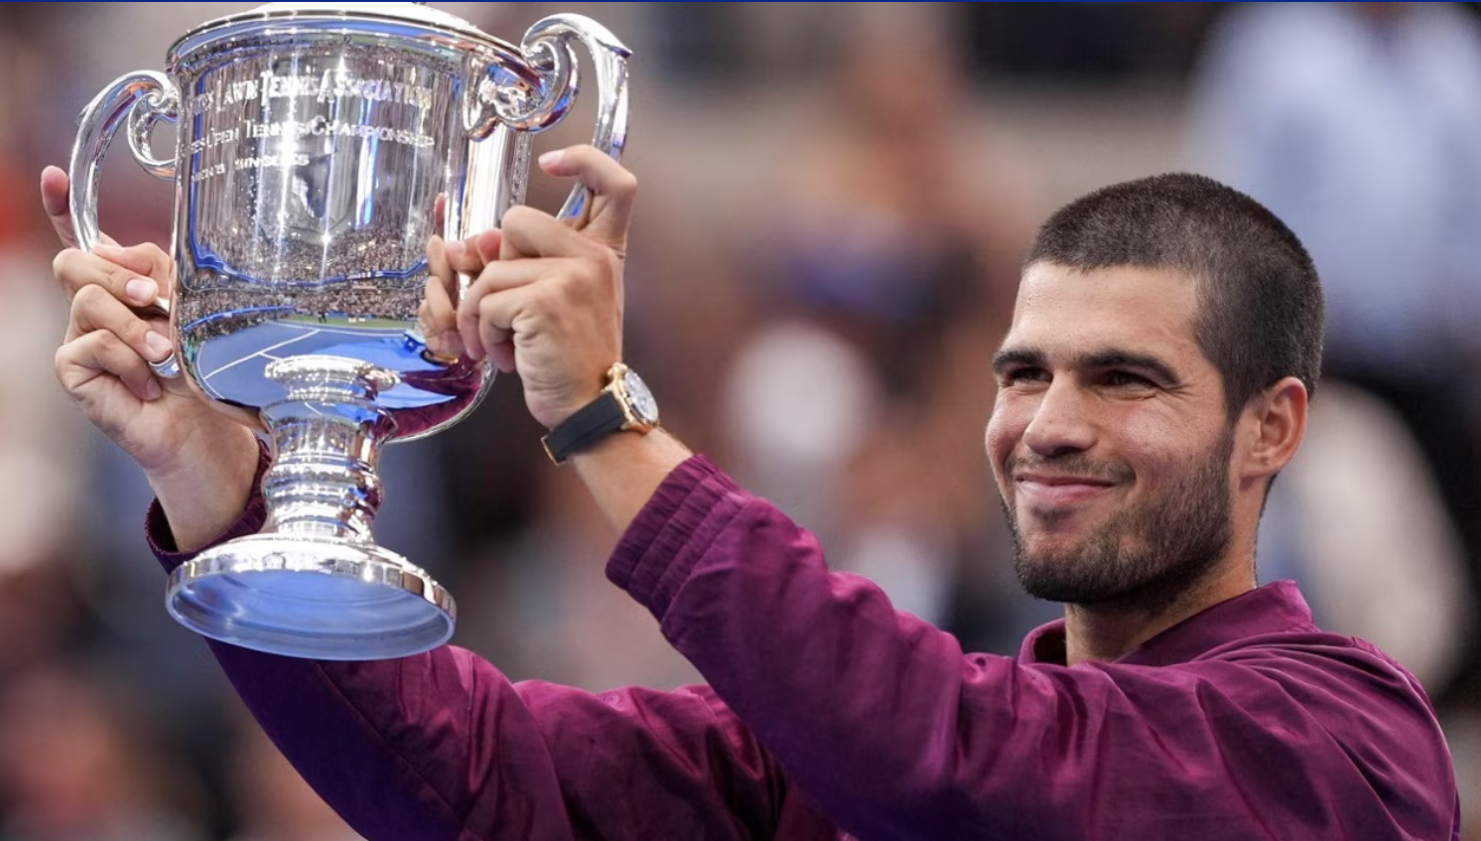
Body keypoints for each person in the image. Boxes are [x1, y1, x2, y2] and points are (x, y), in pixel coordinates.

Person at [43, 147, 1459, 839]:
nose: (1049, 425)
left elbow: (961, 760)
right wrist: (223, 488)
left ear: (1272, 428)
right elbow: (476, 778)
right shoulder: (842, 756)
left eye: (1126, 379)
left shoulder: (1345, 741)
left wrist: (603, 416)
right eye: (1024, 372)